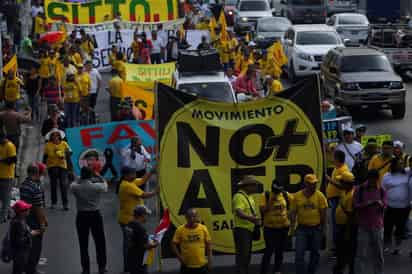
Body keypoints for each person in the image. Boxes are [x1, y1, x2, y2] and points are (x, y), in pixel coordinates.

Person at [118, 167, 159, 273]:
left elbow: (142, 181)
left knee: (131, 244)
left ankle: (129, 267)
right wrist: (156, 191)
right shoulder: (127, 186)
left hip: (128, 218)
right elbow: (144, 195)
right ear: (126, 176)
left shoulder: (128, 182)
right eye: (133, 174)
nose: (135, 176)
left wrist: (151, 172)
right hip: (129, 219)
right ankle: (130, 267)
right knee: (131, 246)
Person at [71, 166, 108, 274]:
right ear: (91, 176)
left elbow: (74, 182)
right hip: (95, 215)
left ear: (82, 176)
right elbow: (105, 185)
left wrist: (80, 178)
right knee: (100, 242)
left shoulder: (75, 187)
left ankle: (86, 269)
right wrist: (99, 176)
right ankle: (101, 267)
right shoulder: (96, 187)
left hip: (81, 215)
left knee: (83, 244)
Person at [290, 174, 328, 274]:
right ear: (305, 184)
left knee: (315, 253)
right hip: (302, 229)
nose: (314, 186)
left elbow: (323, 214)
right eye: (311, 184)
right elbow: (293, 213)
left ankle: (311, 272)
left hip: (316, 228)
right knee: (299, 253)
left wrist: (323, 230)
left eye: (315, 183)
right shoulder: (297, 196)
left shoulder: (320, 196)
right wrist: (292, 228)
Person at [353, 169, 386, 274]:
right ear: (369, 178)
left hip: (377, 226)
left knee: (378, 254)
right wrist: (367, 204)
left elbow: (385, 205)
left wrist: (381, 204)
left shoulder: (381, 190)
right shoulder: (360, 189)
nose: (374, 182)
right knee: (361, 254)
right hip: (363, 226)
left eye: (376, 180)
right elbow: (355, 205)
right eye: (372, 180)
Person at [19, 164, 48, 274]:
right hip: (34, 219)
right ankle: (31, 269)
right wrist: (42, 223)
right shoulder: (36, 187)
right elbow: (38, 208)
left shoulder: (24, 184)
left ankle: (23, 266)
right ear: (37, 173)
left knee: (26, 242)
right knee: (36, 245)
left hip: (24, 217)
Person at [259, 180, 292, 274]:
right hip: (270, 228)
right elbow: (263, 210)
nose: (277, 192)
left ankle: (277, 270)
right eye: (276, 190)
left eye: (279, 190)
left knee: (280, 251)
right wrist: (271, 201)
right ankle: (264, 271)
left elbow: (294, 203)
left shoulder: (285, 194)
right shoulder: (266, 195)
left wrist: (290, 216)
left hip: (283, 227)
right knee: (269, 251)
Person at [382, 158, 412, 254]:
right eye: (399, 163)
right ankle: (386, 246)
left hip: (404, 207)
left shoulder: (407, 173)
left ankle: (397, 248)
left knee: (400, 228)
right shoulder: (387, 176)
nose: (402, 165)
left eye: (403, 163)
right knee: (387, 228)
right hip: (390, 207)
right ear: (393, 165)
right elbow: (382, 190)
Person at [232, 176, 261, 274]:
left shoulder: (250, 197)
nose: (256, 187)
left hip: (247, 230)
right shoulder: (239, 196)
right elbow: (239, 212)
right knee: (243, 257)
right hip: (242, 230)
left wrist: (254, 219)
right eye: (254, 185)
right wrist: (253, 219)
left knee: (246, 256)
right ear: (247, 186)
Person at [172, 208, 212, 274]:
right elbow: (173, 244)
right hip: (186, 265)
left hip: (201, 265)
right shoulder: (180, 230)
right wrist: (179, 257)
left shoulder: (203, 228)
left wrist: (210, 261)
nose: (192, 219)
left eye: (194, 216)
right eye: (189, 217)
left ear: (197, 217)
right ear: (186, 218)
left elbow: (209, 246)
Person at [326, 150, 350, 253]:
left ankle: (337, 247)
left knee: (337, 224)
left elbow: (343, 186)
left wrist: (329, 180)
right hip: (333, 199)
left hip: (338, 200)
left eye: (333, 157)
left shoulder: (343, 170)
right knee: (335, 224)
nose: (332, 159)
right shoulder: (337, 168)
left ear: (337, 159)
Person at [43, 128, 73, 210]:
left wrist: (63, 154)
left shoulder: (64, 144)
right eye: (53, 135)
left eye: (57, 135)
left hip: (62, 166)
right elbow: (45, 156)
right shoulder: (48, 145)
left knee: (63, 185)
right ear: (51, 137)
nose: (55, 137)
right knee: (53, 185)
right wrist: (43, 167)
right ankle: (54, 202)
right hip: (52, 166)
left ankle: (65, 204)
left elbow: (70, 152)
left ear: (59, 136)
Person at [333, 171, 357, 274]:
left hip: (347, 228)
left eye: (341, 182)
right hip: (341, 226)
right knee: (341, 250)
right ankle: (340, 267)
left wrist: (347, 232)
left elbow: (351, 216)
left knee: (348, 251)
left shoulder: (352, 195)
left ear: (347, 183)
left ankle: (346, 269)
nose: (340, 183)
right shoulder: (345, 190)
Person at [9, 201, 42, 274]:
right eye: (27, 209)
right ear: (21, 212)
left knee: (19, 268)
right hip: (20, 252)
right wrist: (30, 235)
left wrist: (32, 232)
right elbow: (19, 240)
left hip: (21, 251)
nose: (29, 210)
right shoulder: (19, 223)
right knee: (18, 269)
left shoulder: (21, 220)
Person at [126, 205, 158, 274]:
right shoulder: (140, 228)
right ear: (142, 215)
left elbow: (137, 239)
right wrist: (155, 244)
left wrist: (148, 237)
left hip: (131, 258)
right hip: (140, 260)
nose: (147, 217)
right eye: (146, 215)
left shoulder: (129, 224)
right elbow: (146, 245)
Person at [0, 131, 17, 223]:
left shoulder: (10, 146)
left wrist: (2, 160)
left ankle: (3, 217)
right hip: (0, 174)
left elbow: (13, 159)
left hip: (7, 175)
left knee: (6, 197)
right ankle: (10, 212)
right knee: (3, 197)